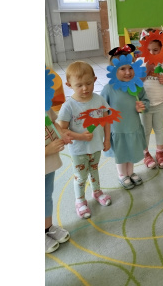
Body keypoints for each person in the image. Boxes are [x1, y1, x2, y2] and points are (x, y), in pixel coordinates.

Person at [57, 61, 112, 219]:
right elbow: (61, 130)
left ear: (95, 80)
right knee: (80, 176)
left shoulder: (99, 100)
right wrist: (80, 136)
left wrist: (107, 140)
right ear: (69, 85)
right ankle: (80, 200)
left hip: (96, 146)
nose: (85, 88)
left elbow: (106, 120)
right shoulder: (68, 106)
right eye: (79, 85)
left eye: (88, 83)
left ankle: (97, 192)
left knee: (94, 170)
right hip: (79, 150)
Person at [101, 45, 150, 190]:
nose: (128, 72)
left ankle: (130, 172)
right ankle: (122, 174)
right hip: (118, 129)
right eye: (122, 69)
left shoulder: (137, 86)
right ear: (114, 70)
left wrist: (142, 106)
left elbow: (145, 101)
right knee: (121, 153)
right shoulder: (109, 88)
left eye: (130, 68)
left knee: (132, 150)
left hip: (133, 127)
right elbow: (102, 109)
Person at [139, 29, 163, 169]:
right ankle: (145, 153)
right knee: (145, 130)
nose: (152, 53)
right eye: (148, 50)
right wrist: (147, 69)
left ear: (161, 48)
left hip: (161, 102)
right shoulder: (140, 61)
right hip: (145, 104)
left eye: (155, 50)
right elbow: (136, 82)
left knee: (160, 128)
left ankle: (160, 151)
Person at [45, 108, 72, 253]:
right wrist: (46, 150)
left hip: (48, 164)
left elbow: (52, 122)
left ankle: (47, 227)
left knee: (46, 196)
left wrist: (61, 133)